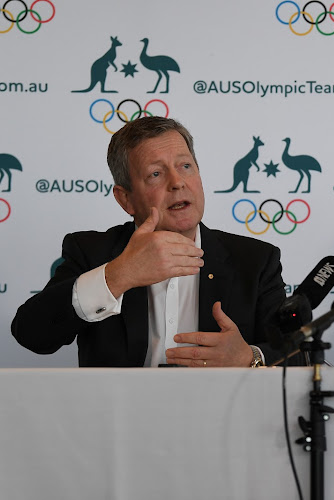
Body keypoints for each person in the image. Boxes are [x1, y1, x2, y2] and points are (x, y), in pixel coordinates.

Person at [12, 116, 287, 367]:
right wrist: (118, 275)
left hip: (219, 418)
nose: (177, 182)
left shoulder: (255, 260)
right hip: (117, 418)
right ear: (126, 199)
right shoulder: (92, 252)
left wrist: (249, 357)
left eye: (186, 166)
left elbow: (298, 354)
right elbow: (33, 335)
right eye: (156, 173)